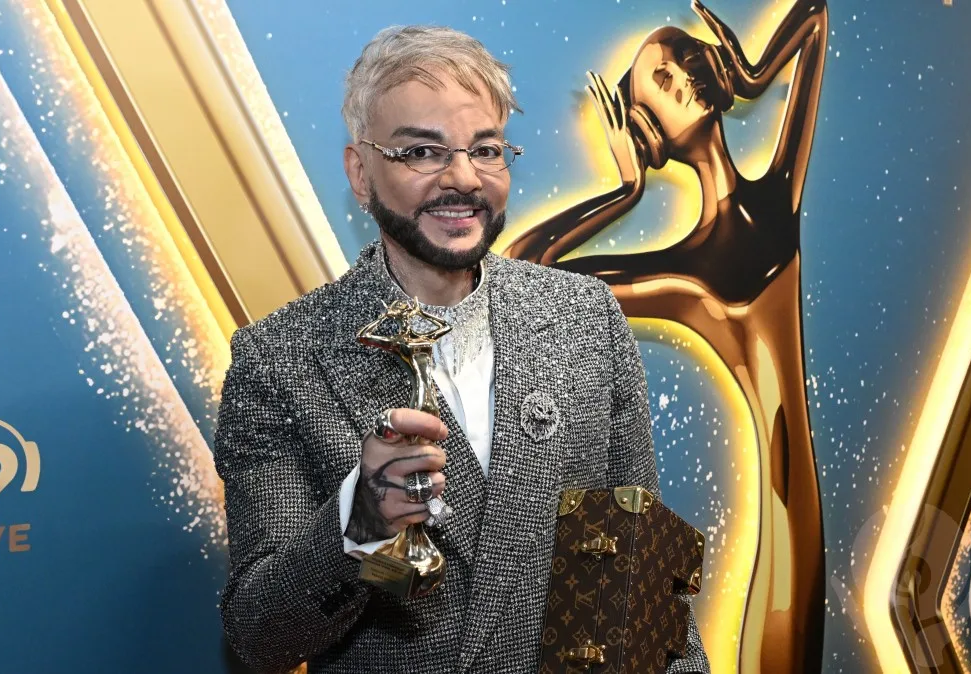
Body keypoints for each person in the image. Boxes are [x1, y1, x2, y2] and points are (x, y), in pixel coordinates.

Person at [214, 24, 710, 674]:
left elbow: (640, 582)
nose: (463, 178)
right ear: (360, 173)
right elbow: (260, 637)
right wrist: (359, 525)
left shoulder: (585, 318)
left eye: (486, 149)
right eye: (422, 152)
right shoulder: (279, 359)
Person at [506, 1, 829, 669]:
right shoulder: (688, 273)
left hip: (802, 511)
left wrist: (756, 72)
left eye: (682, 55)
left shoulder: (775, 192)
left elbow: (815, 17)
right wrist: (623, 194)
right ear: (650, 130)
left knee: (796, 547)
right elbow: (523, 269)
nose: (685, 72)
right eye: (663, 78)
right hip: (785, 513)